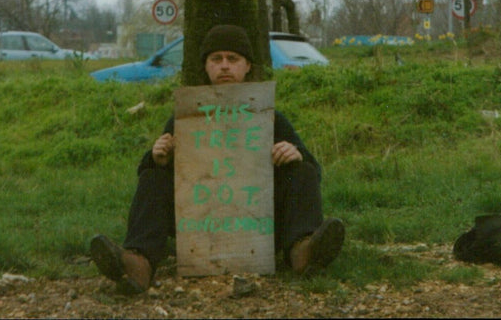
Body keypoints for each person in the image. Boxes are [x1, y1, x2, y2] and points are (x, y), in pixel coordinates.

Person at [90, 24, 345, 294]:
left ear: (247, 65)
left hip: (262, 225)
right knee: (153, 174)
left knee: (301, 170)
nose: (224, 66)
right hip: (200, 223)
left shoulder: (270, 118)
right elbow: (147, 170)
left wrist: (294, 154)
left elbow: (314, 172)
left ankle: (302, 250)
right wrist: (158, 157)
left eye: (232, 59)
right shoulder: (187, 118)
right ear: (206, 66)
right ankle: (138, 263)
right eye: (216, 59)